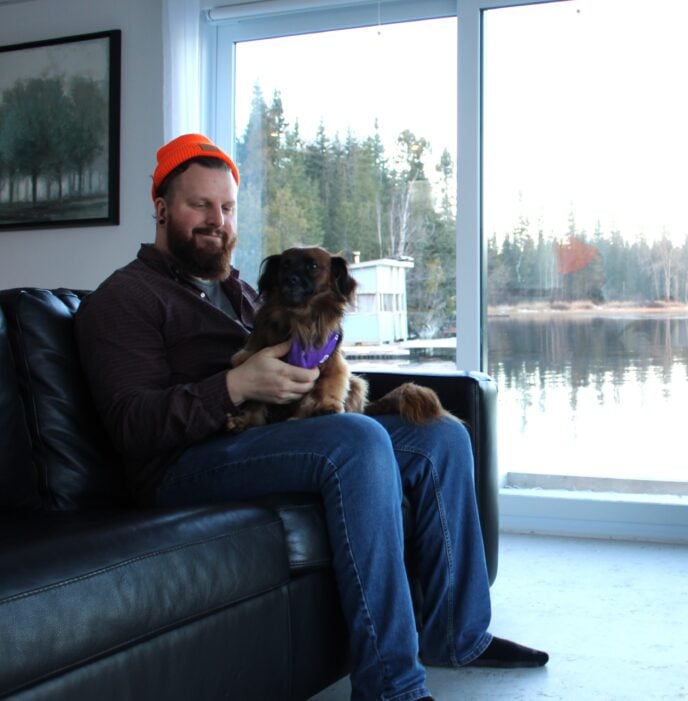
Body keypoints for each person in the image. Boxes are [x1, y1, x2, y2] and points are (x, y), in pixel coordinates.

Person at [74, 133, 547, 701]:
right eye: (199, 205)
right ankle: (391, 686)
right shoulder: (124, 298)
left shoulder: (242, 293)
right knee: (356, 440)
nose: (216, 220)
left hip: (271, 437)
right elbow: (132, 424)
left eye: (226, 208)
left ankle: (457, 634)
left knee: (438, 435)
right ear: (160, 207)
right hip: (185, 465)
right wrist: (233, 386)